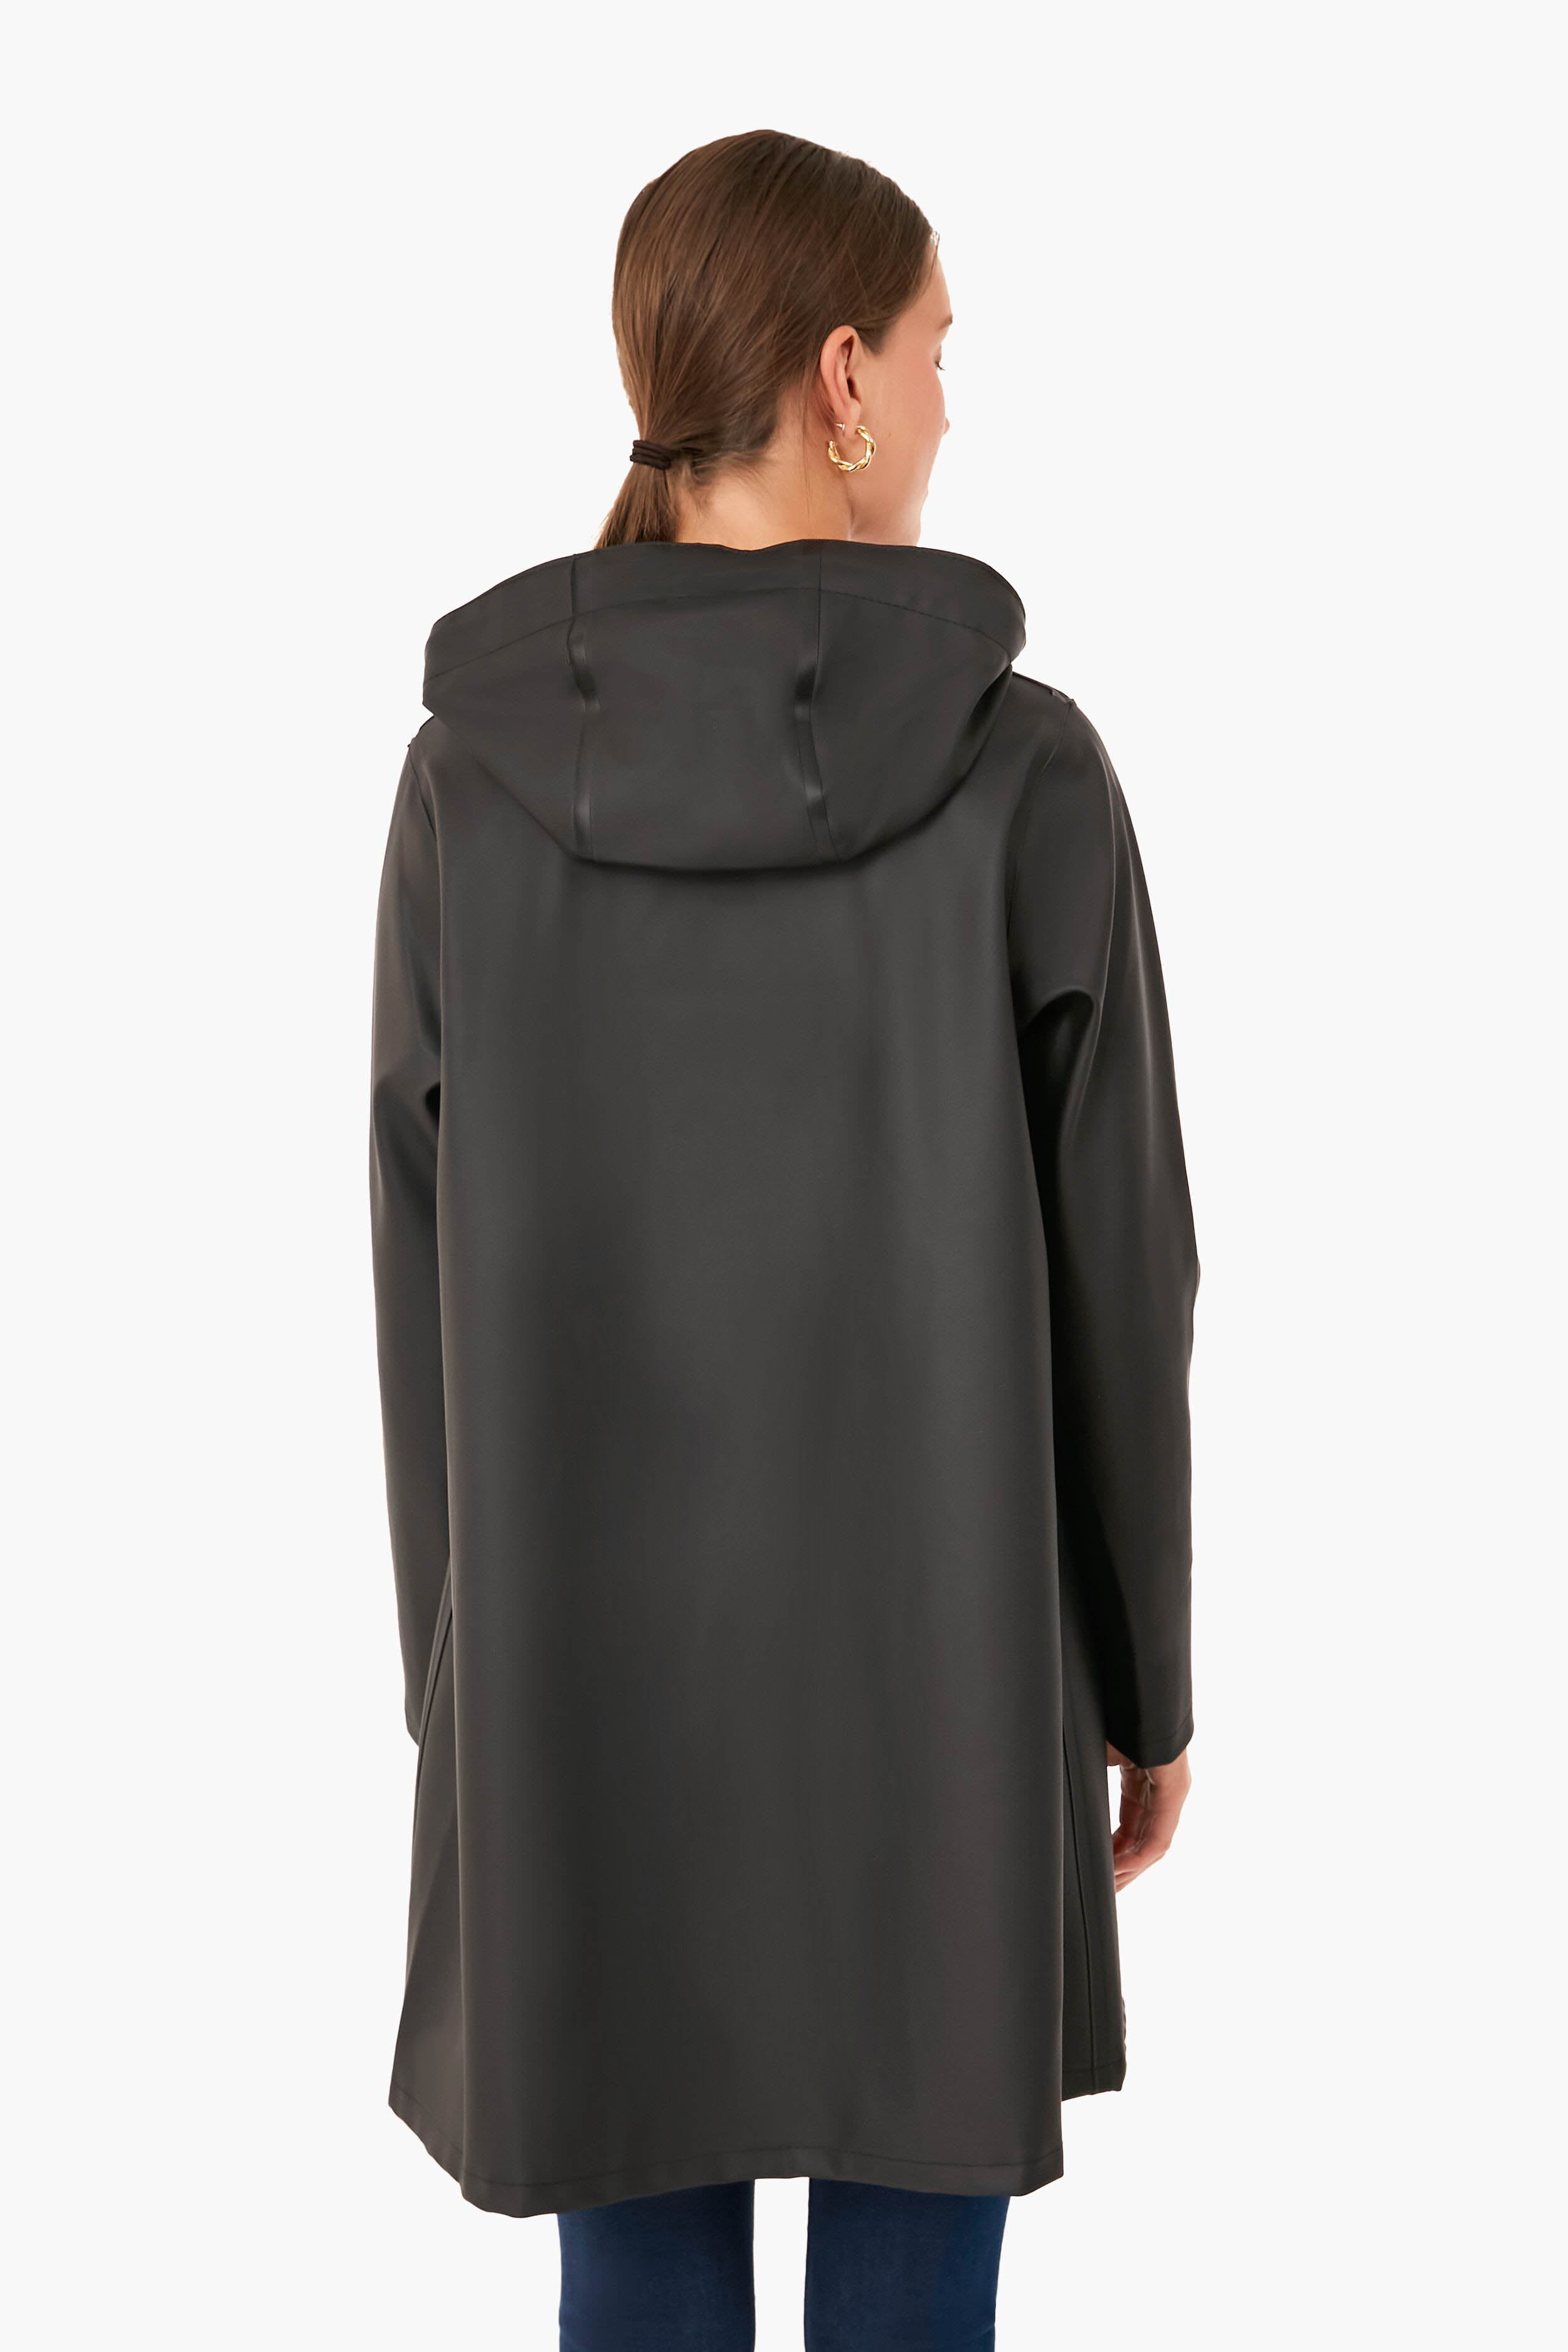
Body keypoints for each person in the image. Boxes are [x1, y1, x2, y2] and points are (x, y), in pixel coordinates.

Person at [369, 128, 1199, 2352]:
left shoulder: (469, 787)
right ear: (841, 379)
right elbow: (1126, 1268)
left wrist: (461, 1688)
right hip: (948, 1685)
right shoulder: (1022, 774)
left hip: (576, 1692)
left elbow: (414, 1271)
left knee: (633, 2287)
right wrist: (1142, 1681)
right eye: (934, 351)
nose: (944, 404)